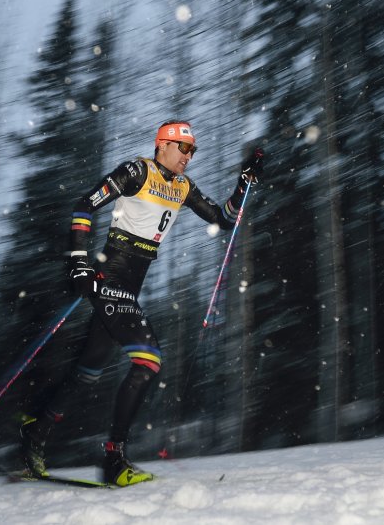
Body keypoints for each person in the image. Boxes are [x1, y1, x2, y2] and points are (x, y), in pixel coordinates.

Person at [18, 119, 263, 486]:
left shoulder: (182, 186)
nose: (188, 156)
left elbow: (223, 218)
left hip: (130, 288)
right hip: (110, 279)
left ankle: (34, 431)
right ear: (162, 144)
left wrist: (244, 181)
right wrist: (79, 265)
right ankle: (114, 460)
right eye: (184, 148)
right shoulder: (137, 172)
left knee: (87, 372)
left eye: (193, 150)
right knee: (148, 361)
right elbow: (83, 205)